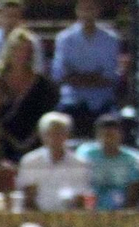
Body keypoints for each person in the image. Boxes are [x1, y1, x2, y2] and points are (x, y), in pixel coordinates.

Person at [50, 0, 118, 140]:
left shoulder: (110, 39)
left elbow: (109, 77)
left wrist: (76, 75)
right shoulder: (65, 39)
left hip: (102, 102)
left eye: (91, 8)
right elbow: (59, 75)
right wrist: (94, 76)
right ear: (77, 11)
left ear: (98, 11)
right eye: (83, 9)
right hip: (71, 101)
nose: (87, 13)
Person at [0, 25, 57, 158]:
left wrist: (29, 141)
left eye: (25, 50)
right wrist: (12, 142)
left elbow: (44, 116)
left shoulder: (40, 83)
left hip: (35, 141)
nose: (21, 54)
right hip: (5, 140)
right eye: (17, 49)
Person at [15, 110, 89, 211]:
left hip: (69, 220)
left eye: (59, 133)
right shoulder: (30, 161)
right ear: (42, 136)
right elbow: (28, 199)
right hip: (36, 218)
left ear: (67, 135)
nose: (55, 138)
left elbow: (80, 199)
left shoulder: (79, 163)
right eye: (50, 133)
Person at [75, 112, 139, 211]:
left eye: (112, 135)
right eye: (105, 135)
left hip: (120, 208)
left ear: (120, 135)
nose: (108, 139)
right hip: (90, 208)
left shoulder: (132, 159)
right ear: (97, 135)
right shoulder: (86, 153)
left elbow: (134, 188)